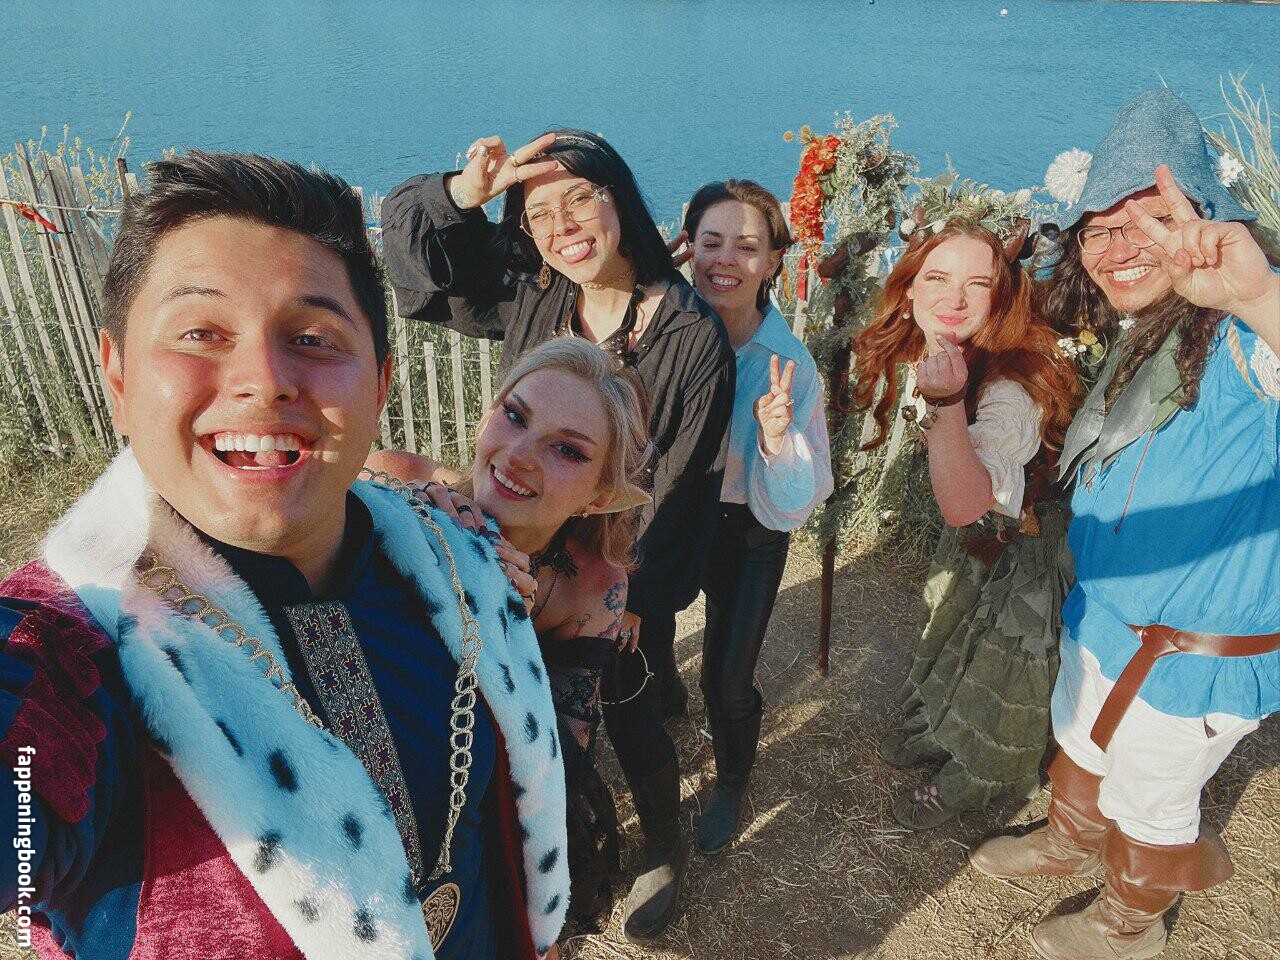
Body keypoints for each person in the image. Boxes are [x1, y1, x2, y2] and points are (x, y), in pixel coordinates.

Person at [0, 152, 569, 960]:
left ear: (381, 384)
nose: (263, 380)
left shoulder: (454, 567)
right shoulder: (70, 651)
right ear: (117, 376)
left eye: (311, 338)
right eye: (201, 333)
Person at [380, 129, 735, 940]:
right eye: (537, 213)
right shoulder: (534, 292)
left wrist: (632, 594)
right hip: (507, 534)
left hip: (616, 565)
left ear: (621, 201)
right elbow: (417, 271)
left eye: (579, 198)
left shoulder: (691, 336)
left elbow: (682, 483)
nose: (561, 225)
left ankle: (662, 845)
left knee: (633, 717)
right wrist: (461, 196)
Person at [969, 89, 1280, 960]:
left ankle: (1128, 923)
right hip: (1107, 615)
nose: (1121, 247)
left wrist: (1260, 295)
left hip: (1191, 654)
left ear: (1208, 226)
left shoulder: (1245, 343)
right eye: (1100, 230)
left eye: (1154, 221)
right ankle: (1069, 838)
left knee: (1153, 794)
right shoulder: (1150, 330)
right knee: (1079, 736)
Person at [368, 337, 651, 939]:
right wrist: (410, 536)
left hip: (485, 793)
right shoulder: (388, 484)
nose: (518, 455)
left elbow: (561, 748)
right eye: (515, 416)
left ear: (600, 497)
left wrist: (505, 640)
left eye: (567, 450)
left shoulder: (595, 587)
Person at [853, 201, 1083, 831]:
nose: (953, 299)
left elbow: (965, 501)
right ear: (909, 289)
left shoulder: (1012, 383)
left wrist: (951, 403)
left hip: (1028, 541)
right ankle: (937, 731)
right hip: (980, 535)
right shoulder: (936, 348)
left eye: (977, 284)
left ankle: (973, 777)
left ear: (1001, 297)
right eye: (937, 277)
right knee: (954, 627)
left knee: (1003, 661)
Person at [675, 180, 833, 854]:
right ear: (687, 247)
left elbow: (797, 500)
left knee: (727, 679)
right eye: (711, 242)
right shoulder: (664, 336)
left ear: (773, 261)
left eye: (746, 247)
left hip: (749, 530)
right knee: (644, 644)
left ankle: (732, 783)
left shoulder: (789, 366)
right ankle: (665, 710)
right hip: (674, 518)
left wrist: (775, 439)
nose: (725, 260)